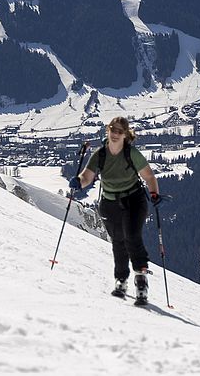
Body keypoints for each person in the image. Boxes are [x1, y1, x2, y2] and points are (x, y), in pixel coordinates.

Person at [68, 116, 160, 304]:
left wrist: (154, 194)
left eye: (120, 131)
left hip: (134, 200)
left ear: (126, 135)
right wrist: (78, 182)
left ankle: (141, 280)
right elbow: (87, 177)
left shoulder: (131, 153)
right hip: (109, 203)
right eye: (113, 129)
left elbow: (149, 176)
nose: (116, 134)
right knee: (118, 241)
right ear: (107, 130)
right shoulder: (100, 154)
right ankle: (121, 280)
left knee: (132, 236)